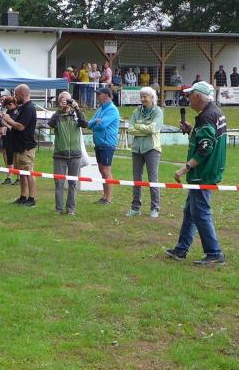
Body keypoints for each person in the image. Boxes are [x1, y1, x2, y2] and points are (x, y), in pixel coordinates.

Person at [165, 82, 227, 265]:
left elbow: (205, 148)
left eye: (190, 94)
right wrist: (191, 130)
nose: (188, 98)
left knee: (200, 212)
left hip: (203, 173)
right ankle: (181, 249)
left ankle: (214, 253)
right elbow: (207, 138)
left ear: (198, 96)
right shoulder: (214, 113)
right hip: (209, 170)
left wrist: (185, 168)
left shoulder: (207, 117)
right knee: (191, 211)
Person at [123, 87, 164, 218]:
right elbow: (130, 129)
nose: (142, 99)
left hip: (152, 149)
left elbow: (153, 129)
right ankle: (135, 207)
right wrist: (144, 129)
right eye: (141, 96)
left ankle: (155, 208)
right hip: (136, 149)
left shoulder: (158, 112)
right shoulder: (136, 112)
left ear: (152, 97)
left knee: (153, 179)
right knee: (136, 179)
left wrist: (139, 127)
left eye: (145, 96)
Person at [48, 92, 87, 215]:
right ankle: (59, 209)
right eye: (63, 100)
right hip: (60, 154)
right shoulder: (57, 116)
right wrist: (60, 110)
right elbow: (50, 124)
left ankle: (71, 209)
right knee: (59, 183)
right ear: (59, 102)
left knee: (72, 183)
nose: (66, 103)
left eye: (68, 100)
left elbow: (84, 124)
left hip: (75, 154)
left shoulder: (76, 114)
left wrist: (77, 108)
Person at [1, 84, 37, 207]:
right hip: (18, 146)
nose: (15, 97)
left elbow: (21, 126)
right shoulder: (22, 108)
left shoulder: (29, 108)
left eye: (16, 95)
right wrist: (8, 122)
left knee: (28, 172)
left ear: (23, 94)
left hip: (26, 147)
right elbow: (15, 125)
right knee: (21, 173)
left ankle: (32, 198)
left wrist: (9, 120)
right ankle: (23, 196)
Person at [88, 87, 120, 205]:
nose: (97, 96)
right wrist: (95, 121)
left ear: (106, 95)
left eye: (99, 94)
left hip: (107, 143)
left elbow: (102, 125)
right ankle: (104, 196)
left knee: (106, 170)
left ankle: (109, 198)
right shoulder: (100, 109)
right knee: (101, 170)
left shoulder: (112, 109)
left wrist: (95, 123)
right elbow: (89, 123)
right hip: (99, 143)